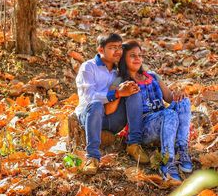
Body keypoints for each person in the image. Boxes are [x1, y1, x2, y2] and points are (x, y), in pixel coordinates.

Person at [110, 40, 193, 181]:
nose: (137, 59)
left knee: (183, 102)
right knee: (169, 113)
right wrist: (119, 92)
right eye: (132, 56)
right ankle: (167, 162)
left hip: (164, 118)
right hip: (143, 127)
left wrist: (177, 95)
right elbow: (112, 98)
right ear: (124, 59)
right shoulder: (121, 80)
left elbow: (169, 97)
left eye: (139, 55)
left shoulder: (152, 76)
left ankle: (181, 149)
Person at [75, 33, 149, 175]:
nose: (118, 51)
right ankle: (92, 157)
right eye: (112, 47)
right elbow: (89, 97)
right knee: (96, 104)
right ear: (100, 50)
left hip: (112, 119)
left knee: (133, 93)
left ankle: (134, 144)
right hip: (89, 117)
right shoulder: (88, 67)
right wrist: (116, 94)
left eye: (119, 47)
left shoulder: (118, 72)